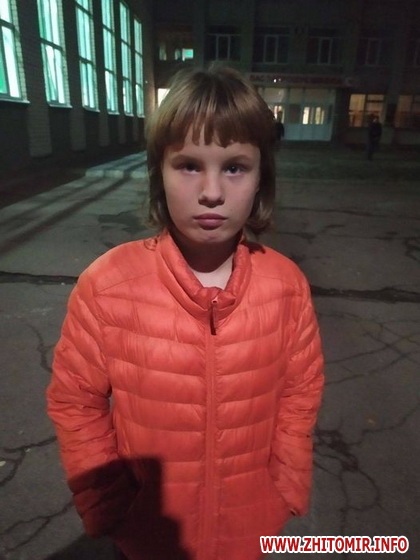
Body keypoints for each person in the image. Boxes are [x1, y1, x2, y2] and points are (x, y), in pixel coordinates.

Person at [47, 66, 324, 560]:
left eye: (235, 167)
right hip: (149, 536)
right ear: (159, 172)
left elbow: (300, 393)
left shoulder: (286, 285)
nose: (212, 191)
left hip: (250, 531)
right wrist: (111, 504)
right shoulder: (107, 286)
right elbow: (75, 401)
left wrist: (284, 482)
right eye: (189, 165)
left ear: (261, 177)